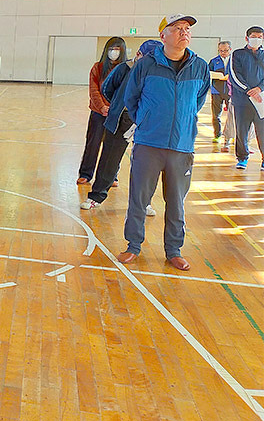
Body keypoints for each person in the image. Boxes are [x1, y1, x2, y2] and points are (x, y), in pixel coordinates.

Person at [118, 14, 209, 271]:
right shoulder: (146, 65)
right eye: (177, 28)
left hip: (182, 146)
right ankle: (133, 246)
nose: (184, 32)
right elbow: (131, 98)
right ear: (163, 36)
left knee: (176, 201)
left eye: (187, 28)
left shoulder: (200, 67)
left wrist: (183, 121)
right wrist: (147, 121)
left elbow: (198, 101)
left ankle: (174, 250)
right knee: (139, 198)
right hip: (149, 143)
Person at [81, 40, 162, 212]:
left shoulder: (159, 72)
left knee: (146, 163)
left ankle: (144, 202)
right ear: (139, 54)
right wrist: (120, 105)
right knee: (109, 159)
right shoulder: (125, 68)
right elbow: (107, 89)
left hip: (147, 121)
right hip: (122, 118)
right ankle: (96, 196)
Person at [77, 37, 127, 183]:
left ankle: (111, 176)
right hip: (98, 113)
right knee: (92, 143)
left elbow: (125, 92)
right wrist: (102, 107)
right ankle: (86, 173)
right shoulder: (97, 68)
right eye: (112, 49)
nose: (114, 52)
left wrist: (114, 109)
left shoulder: (126, 69)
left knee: (113, 147)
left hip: (116, 115)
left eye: (117, 49)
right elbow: (94, 90)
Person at [228, 26, 264, 170]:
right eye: (254, 36)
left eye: (260, 37)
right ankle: (242, 158)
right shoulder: (237, 54)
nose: (257, 39)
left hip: (261, 101)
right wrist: (248, 90)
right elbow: (234, 76)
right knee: (241, 131)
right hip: (242, 101)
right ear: (247, 38)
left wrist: (259, 89)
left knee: (262, 132)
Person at [208, 41, 233, 145]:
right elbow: (208, 73)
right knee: (216, 115)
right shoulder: (214, 61)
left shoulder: (234, 61)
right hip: (216, 91)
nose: (223, 53)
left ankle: (230, 136)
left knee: (231, 115)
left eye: (225, 50)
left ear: (230, 49)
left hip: (230, 91)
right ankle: (217, 135)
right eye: (221, 51)